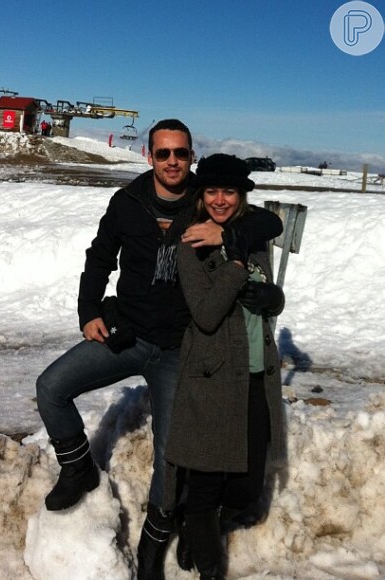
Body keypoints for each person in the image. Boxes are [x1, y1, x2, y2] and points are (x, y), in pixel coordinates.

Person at [35, 121, 283, 579]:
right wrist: (89, 309)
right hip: (127, 334)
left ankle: (156, 539)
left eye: (181, 154)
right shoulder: (127, 202)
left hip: (179, 351)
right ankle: (78, 470)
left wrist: (227, 237)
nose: (173, 162)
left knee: (171, 457)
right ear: (149, 156)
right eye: (164, 153)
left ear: (191, 156)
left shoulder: (204, 200)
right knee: (51, 387)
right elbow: (99, 256)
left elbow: (270, 221)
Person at [165, 154, 286, 580]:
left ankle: (195, 526)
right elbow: (206, 313)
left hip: (255, 374)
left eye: (229, 191)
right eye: (212, 191)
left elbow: (271, 239)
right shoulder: (191, 241)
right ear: (201, 194)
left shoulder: (251, 234)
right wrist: (233, 262)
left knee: (245, 489)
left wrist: (275, 298)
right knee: (205, 488)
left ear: (241, 196)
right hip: (212, 377)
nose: (220, 199)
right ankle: (208, 560)